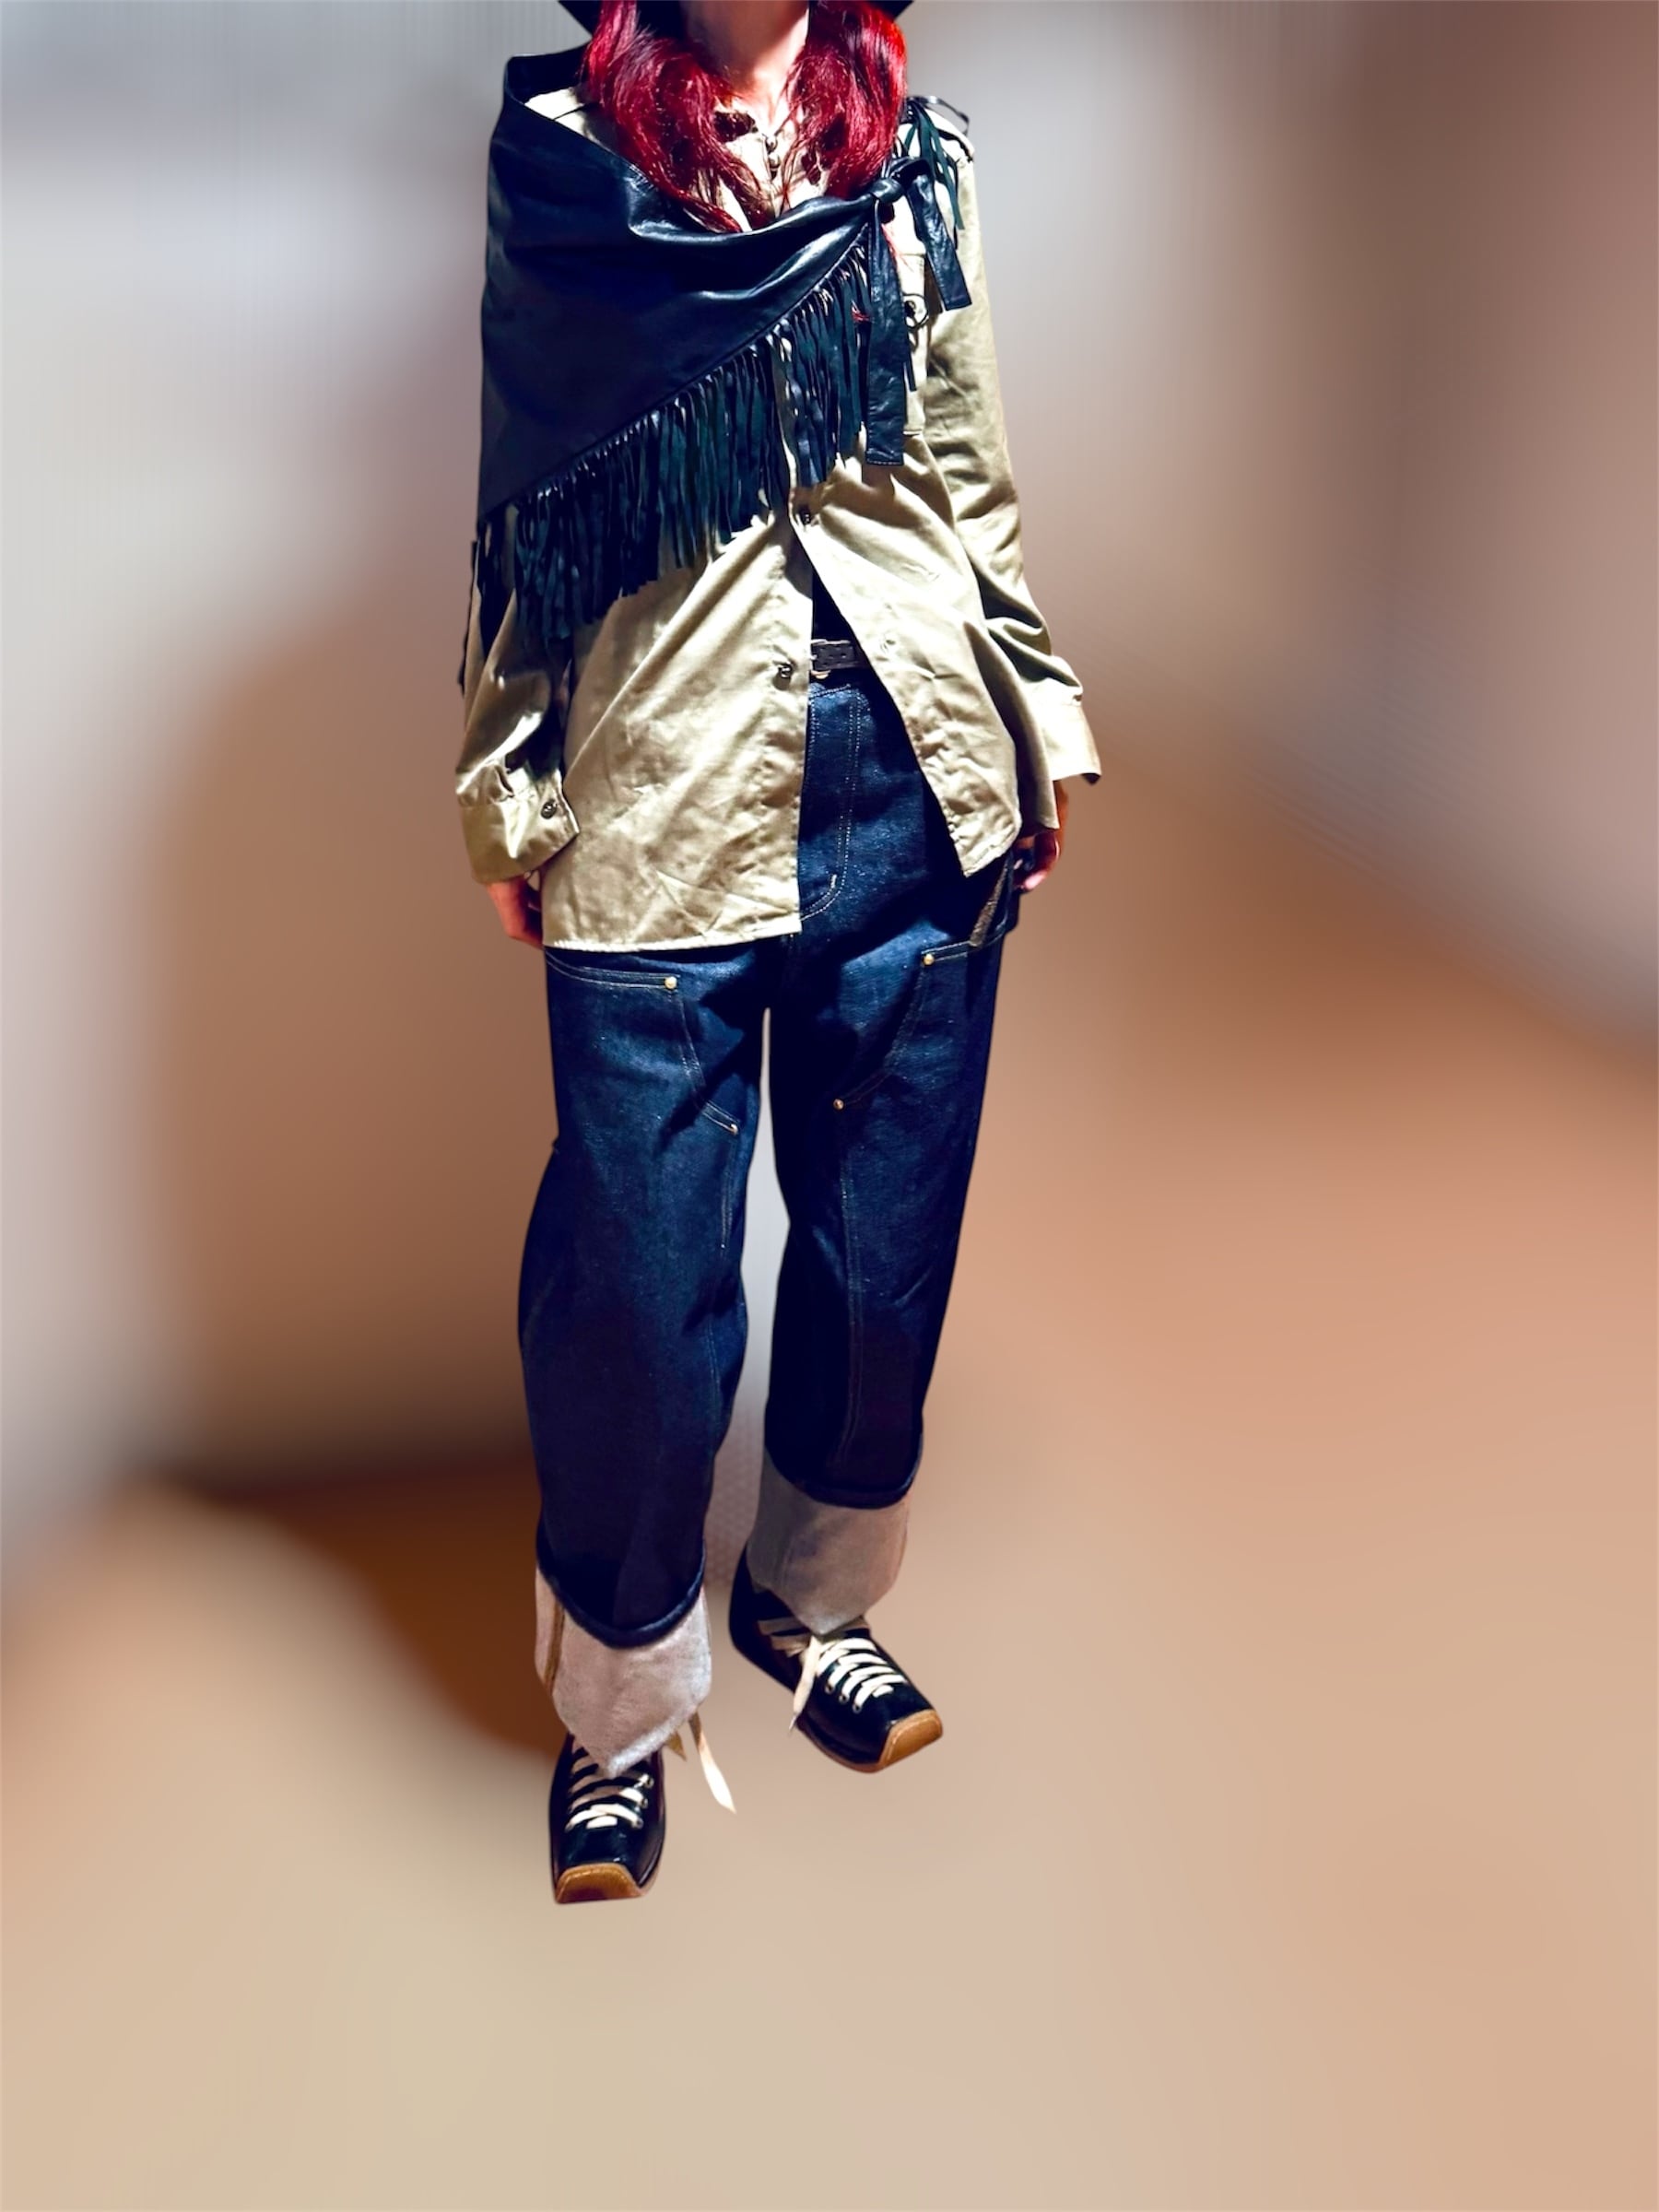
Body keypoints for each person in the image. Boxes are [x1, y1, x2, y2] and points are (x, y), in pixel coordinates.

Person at [457, 0, 1100, 1904]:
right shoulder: (573, 160)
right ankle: (619, 1704)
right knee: (639, 1291)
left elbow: (966, 473)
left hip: (911, 771)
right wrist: (509, 778)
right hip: (660, 783)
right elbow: (527, 497)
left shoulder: (918, 157)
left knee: (883, 1247)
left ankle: (812, 1602)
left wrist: (1035, 725)